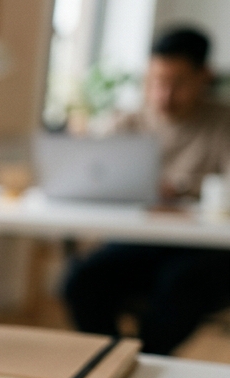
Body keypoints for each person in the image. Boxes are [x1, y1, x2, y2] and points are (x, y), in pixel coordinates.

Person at [63, 27, 230, 354]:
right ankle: (113, 357)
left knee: (178, 288)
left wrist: (178, 189)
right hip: (140, 240)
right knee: (81, 283)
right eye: (156, 82)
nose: (164, 95)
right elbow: (85, 170)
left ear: (204, 76)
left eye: (178, 83)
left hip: (202, 248)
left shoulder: (223, 122)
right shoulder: (127, 121)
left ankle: (148, 360)